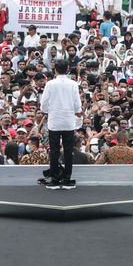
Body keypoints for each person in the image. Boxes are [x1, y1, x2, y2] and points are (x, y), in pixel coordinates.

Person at [39, 58, 82, 190]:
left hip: (55, 122)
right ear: (68, 69)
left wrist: (48, 111)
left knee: (54, 151)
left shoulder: (50, 84)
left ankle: (55, 178)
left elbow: (44, 105)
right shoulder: (73, 84)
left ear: (55, 69)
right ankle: (67, 178)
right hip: (68, 122)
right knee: (69, 151)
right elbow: (77, 106)